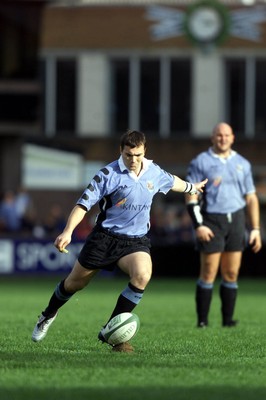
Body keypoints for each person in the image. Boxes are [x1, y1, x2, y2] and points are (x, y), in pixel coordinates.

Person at [32, 129, 207, 352]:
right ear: (121, 151)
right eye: (128, 155)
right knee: (75, 284)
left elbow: (173, 181)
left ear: (144, 151)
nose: (133, 160)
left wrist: (193, 187)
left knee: (142, 275)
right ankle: (47, 315)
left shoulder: (153, 171)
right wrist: (67, 232)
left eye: (138, 155)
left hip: (135, 241)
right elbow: (82, 205)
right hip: (104, 238)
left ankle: (109, 331)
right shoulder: (108, 174)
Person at [185, 122, 262, 328]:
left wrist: (255, 229)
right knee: (209, 272)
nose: (223, 138)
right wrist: (198, 225)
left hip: (236, 220)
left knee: (231, 273)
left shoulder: (242, 164)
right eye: (219, 135)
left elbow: (251, 198)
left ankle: (228, 320)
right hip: (212, 220)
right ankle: (202, 321)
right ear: (213, 138)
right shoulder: (200, 162)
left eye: (227, 135)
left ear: (233, 137)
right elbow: (191, 194)